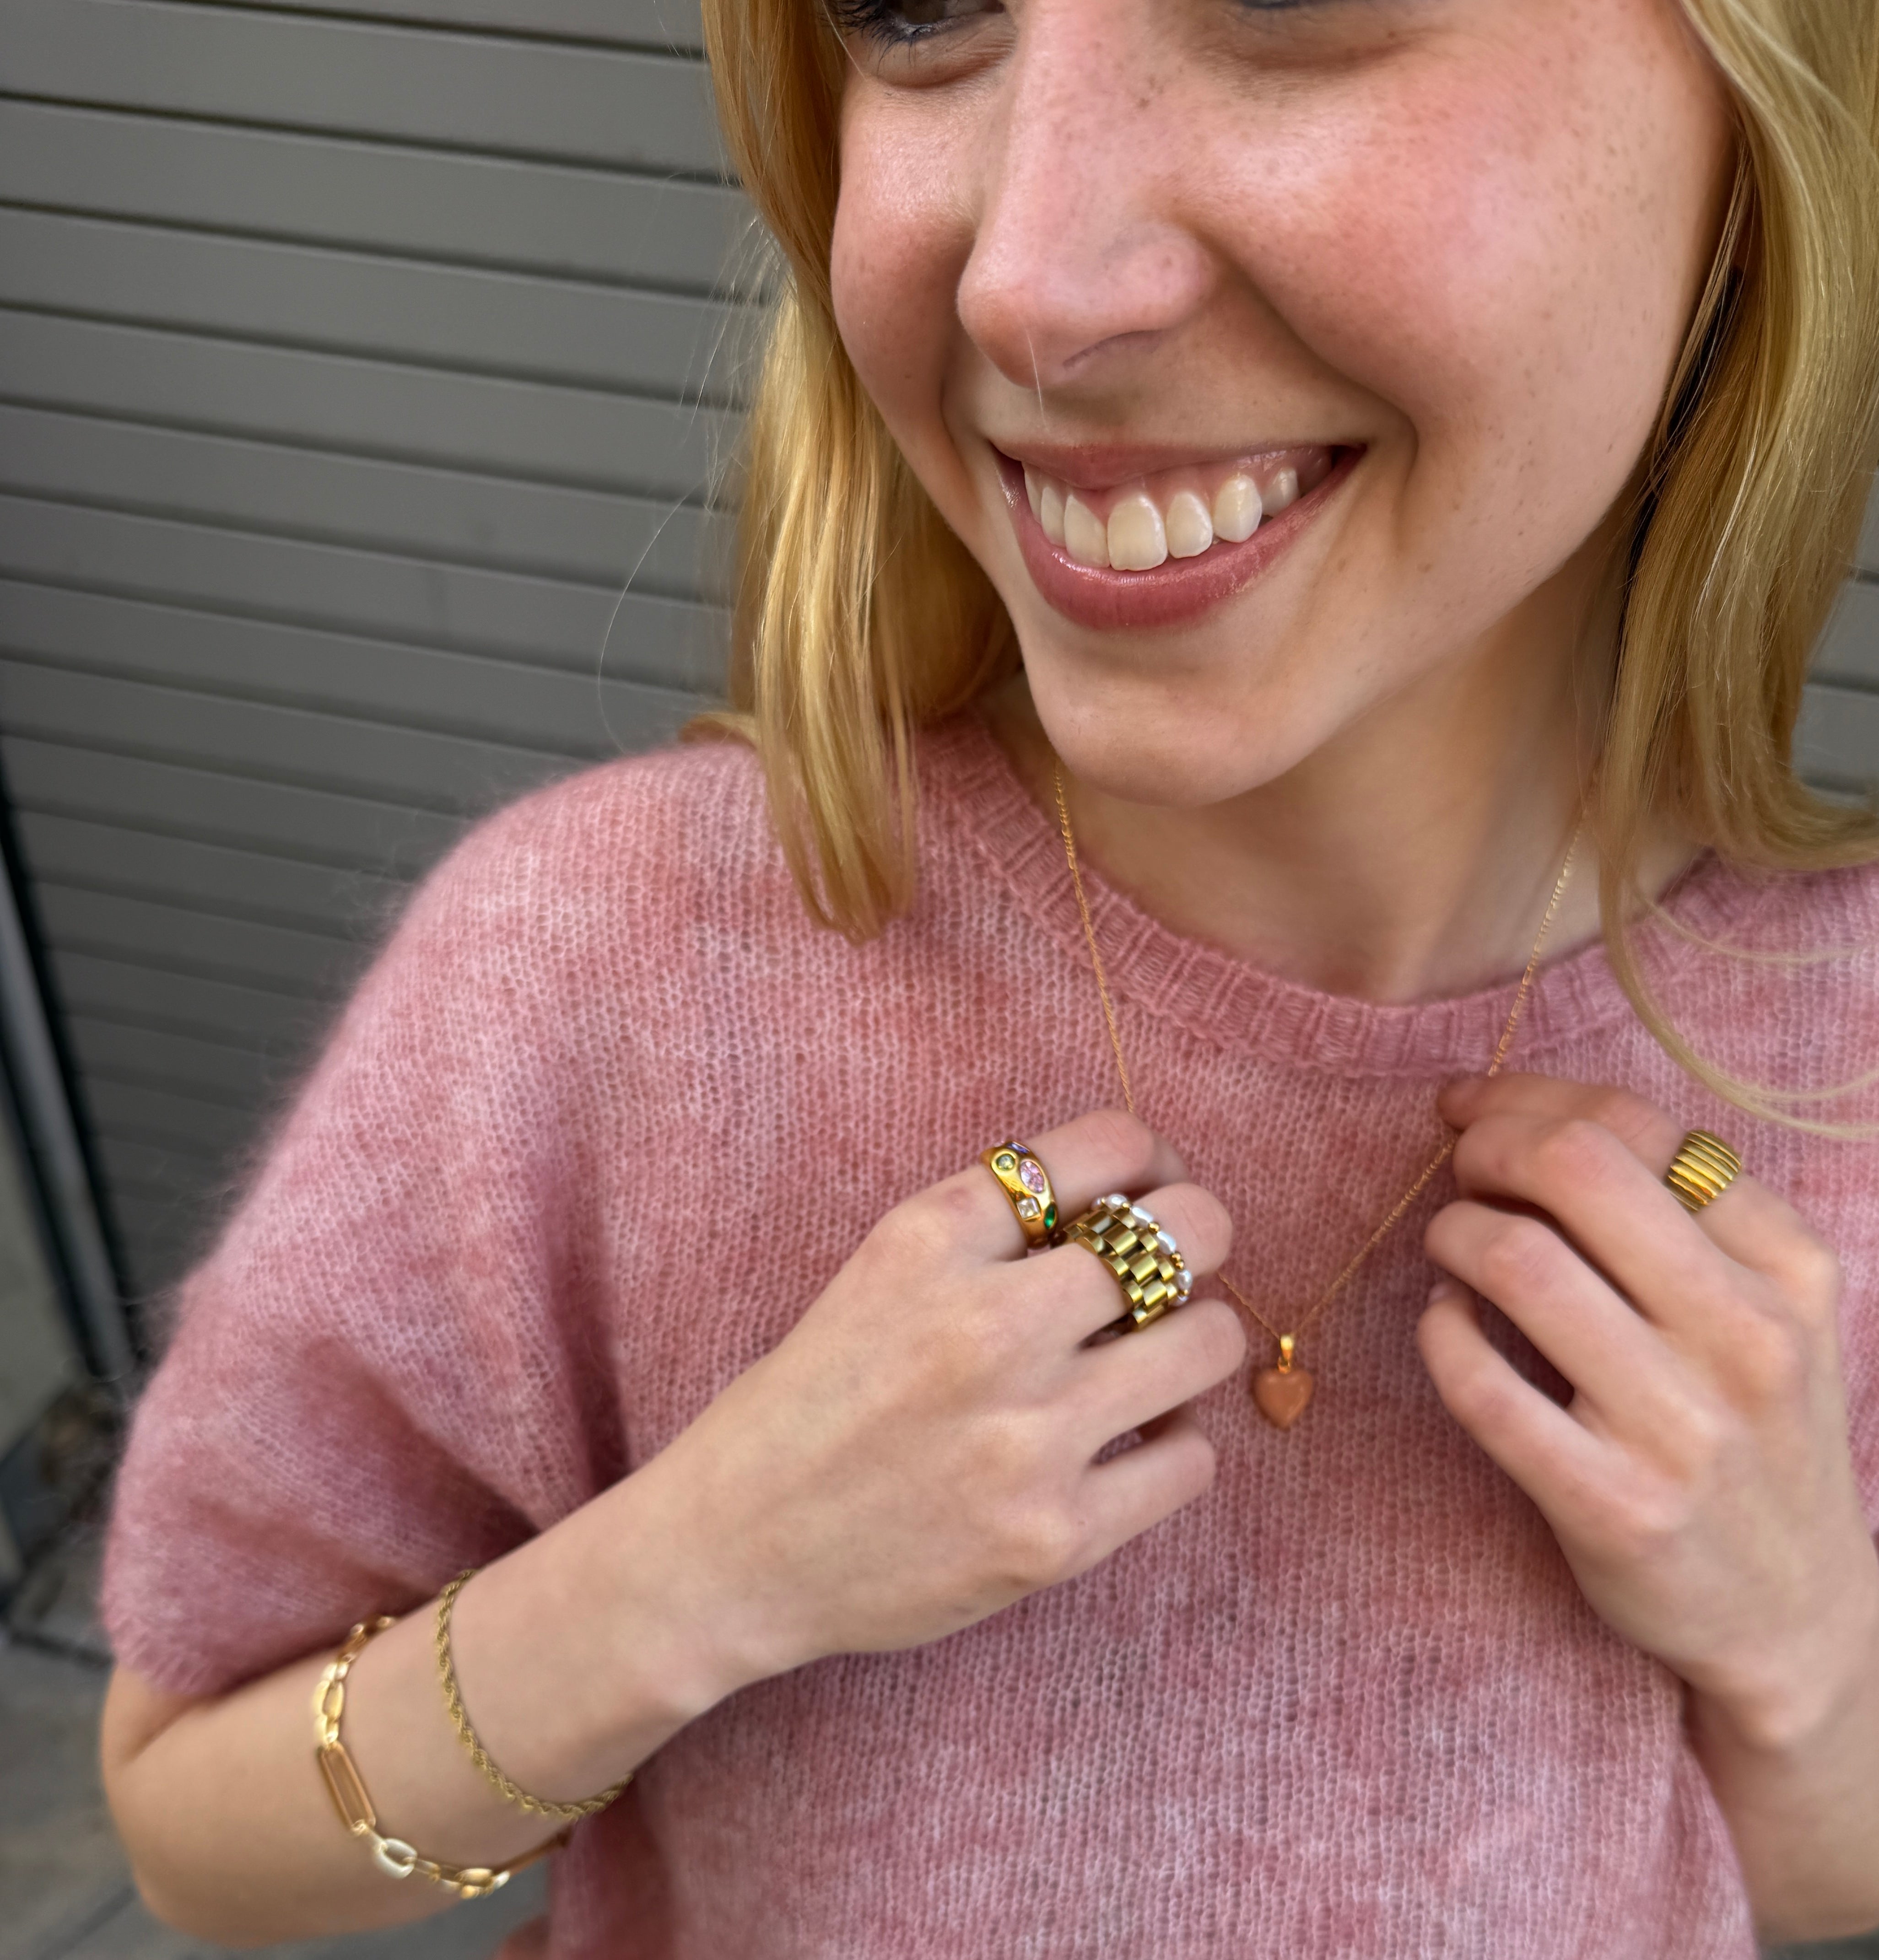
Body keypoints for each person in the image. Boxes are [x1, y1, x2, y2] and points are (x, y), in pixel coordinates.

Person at [96, 1, 1879, 1955]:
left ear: (1762, 107)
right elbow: (194, 1824)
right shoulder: (595, 980)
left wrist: (1803, 1641)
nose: (1027, 284)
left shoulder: (1843, 1058)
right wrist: (698, 1573)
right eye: (918, 2)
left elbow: (1778, 1880)